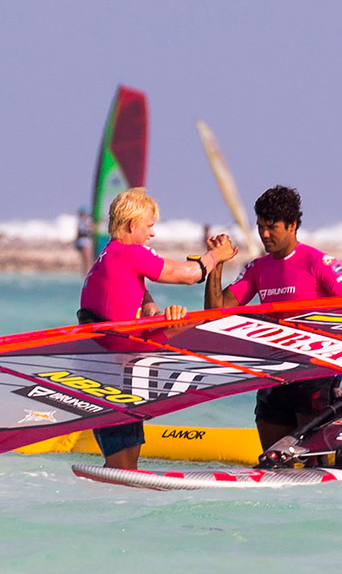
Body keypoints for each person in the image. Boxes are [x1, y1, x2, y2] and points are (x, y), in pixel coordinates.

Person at [204, 185, 342, 453]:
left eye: (271, 226)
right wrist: (216, 263)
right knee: (272, 463)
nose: (264, 234)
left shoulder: (319, 262)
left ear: (292, 225)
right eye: (260, 226)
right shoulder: (257, 268)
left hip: (315, 377)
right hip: (274, 378)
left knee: (314, 463)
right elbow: (215, 311)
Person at [79, 188, 235, 470]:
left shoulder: (109, 257)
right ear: (132, 225)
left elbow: (137, 299)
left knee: (127, 461)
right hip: (111, 373)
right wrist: (215, 256)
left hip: (110, 368)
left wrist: (159, 314)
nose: (152, 234)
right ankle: (114, 507)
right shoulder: (128, 253)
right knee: (120, 465)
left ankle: (123, 504)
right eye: (149, 226)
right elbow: (189, 275)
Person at [74, 207, 94, 275]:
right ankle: (87, 275)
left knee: (86, 261)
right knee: (87, 260)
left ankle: (86, 274)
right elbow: (88, 229)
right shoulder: (83, 222)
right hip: (85, 243)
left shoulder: (81, 221)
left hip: (84, 242)